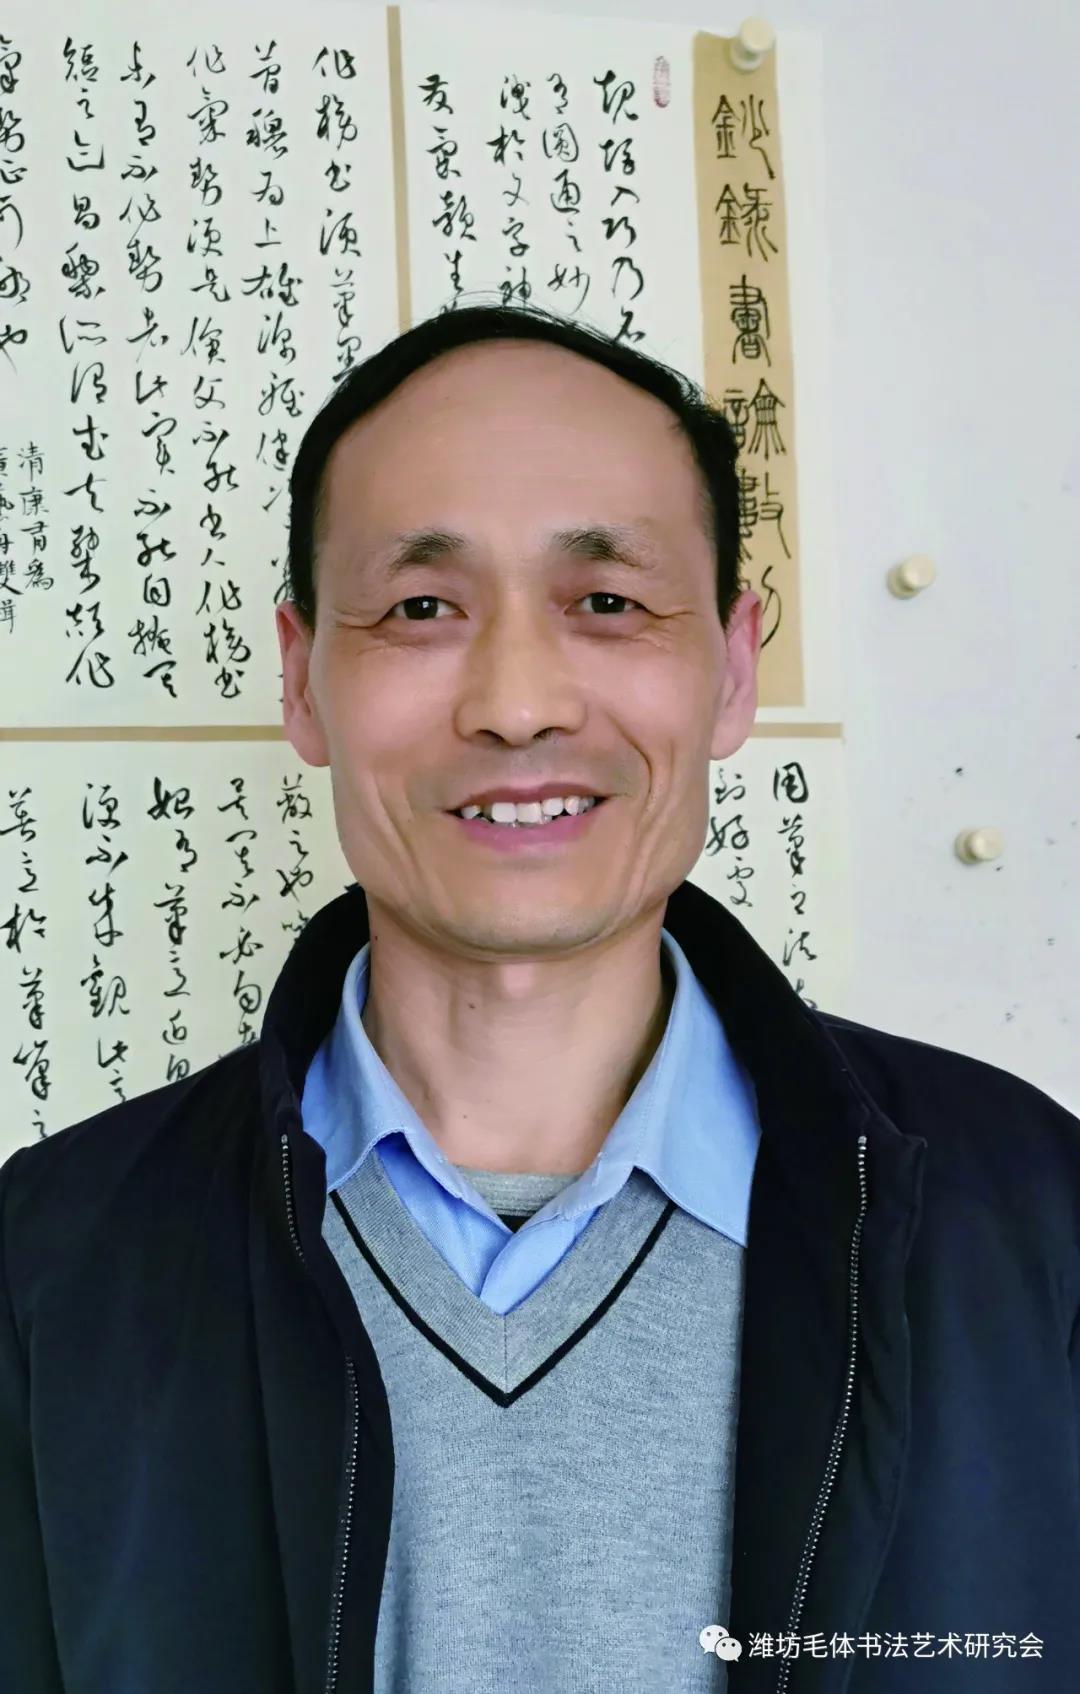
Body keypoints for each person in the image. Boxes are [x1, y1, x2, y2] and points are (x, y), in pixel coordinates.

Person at [1, 303, 1077, 1694]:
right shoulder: (57, 1259)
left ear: (733, 667)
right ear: (302, 677)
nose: (517, 703)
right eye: (422, 609)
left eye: (608, 602)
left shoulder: (1029, 1217)